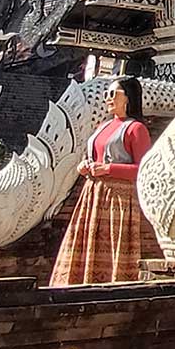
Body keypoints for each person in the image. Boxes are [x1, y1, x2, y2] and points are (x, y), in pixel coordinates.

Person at [49, 75, 152, 285]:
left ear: (128, 98)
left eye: (113, 94)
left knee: (114, 243)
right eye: (107, 94)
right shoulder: (102, 127)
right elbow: (92, 157)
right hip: (93, 194)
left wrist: (108, 168)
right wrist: (84, 166)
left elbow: (144, 170)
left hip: (119, 198)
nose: (108, 98)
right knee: (86, 242)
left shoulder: (136, 129)